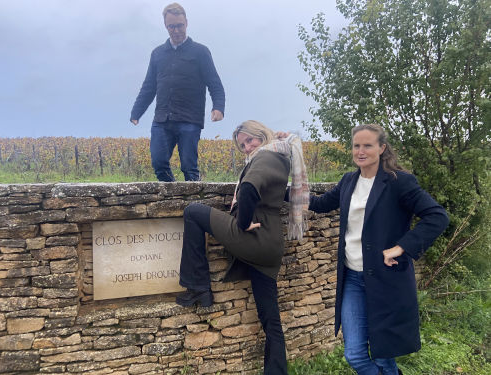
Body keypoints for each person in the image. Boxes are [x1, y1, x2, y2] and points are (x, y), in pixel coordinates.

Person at [305, 124, 449, 375]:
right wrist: (282, 190)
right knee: (355, 355)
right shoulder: (349, 180)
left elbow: (437, 216)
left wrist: (402, 247)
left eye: (367, 145)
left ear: (382, 148)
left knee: (383, 357)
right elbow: (319, 204)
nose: (361, 151)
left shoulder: (398, 182)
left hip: (386, 281)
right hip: (352, 278)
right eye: (356, 145)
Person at [175, 120, 309, 375]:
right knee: (271, 320)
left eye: (250, 140)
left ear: (262, 135)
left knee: (193, 212)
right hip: (270, 245)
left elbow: (248, 188)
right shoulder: (281, 154)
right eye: (242, 144)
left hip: (255, 237)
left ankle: (197, 287)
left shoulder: (267, 157)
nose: (247, 147)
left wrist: (243, 222)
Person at [130, 2, 225, 182]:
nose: (175, 30)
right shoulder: (157, 54)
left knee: (189, 166)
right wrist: (137, 112)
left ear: (186, 23)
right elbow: (149, 86)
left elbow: (215, 83)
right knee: (158, 163)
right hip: (162, 119)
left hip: (189, 119)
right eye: (171, 26)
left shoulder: (200, 52)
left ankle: (194, 205)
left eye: (179, 25)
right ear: (166, 26)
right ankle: (173, 202)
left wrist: (218, 107)